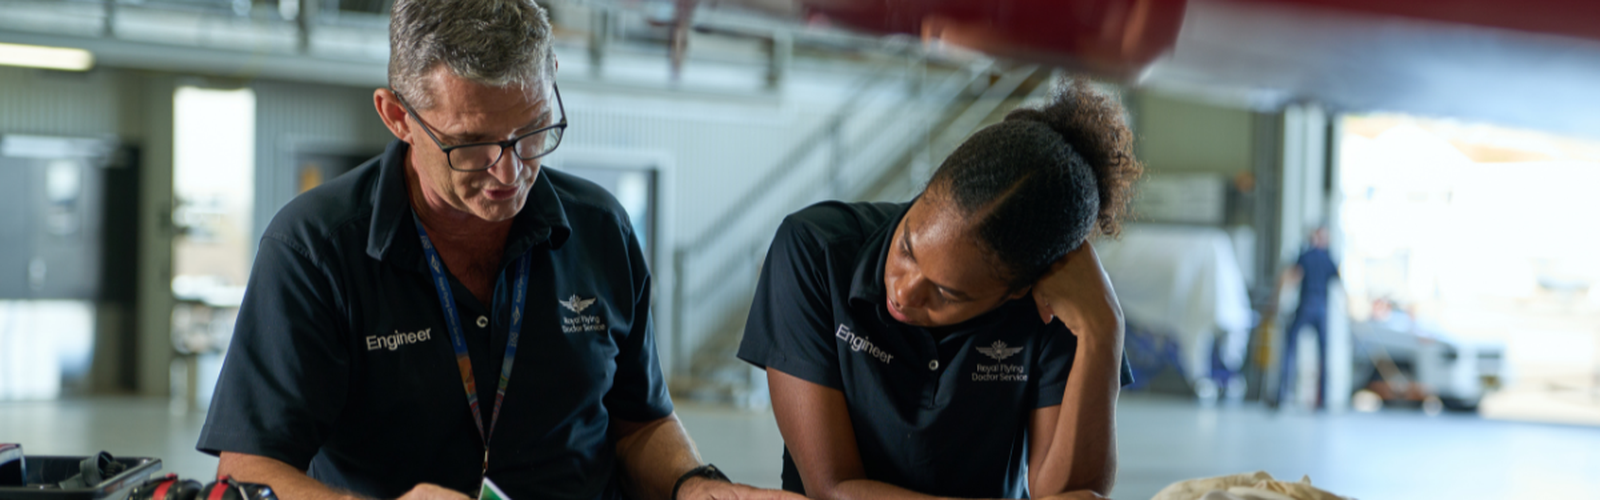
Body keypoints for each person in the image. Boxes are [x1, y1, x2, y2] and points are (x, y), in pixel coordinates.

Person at [196, 1, 801, 499]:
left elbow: (639, 422)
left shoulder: (602, 229)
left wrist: (694, 485)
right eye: (471, 144)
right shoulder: (315, 249)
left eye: (532, 131)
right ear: (397, 116)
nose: (509, 172)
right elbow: (247, 468)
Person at [736, 78, 1141, 500]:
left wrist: (1103, 328)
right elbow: (831, 489)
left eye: (947, 294)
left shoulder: (1055, 303)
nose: (904, 292)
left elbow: (1072, 493)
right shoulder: (815, 251)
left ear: (1017, 290)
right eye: (907, 248)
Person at [1270, 226, 1340, 410]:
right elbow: (1338, 281)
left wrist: (1277, 299)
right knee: (1323, 353)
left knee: (1290, 348)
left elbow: (1292, 277)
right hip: (1321, 309)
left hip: (1306, 307)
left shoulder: (1305, 256)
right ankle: (1323, 399)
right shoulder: (1328, 258)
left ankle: (1282, 393)